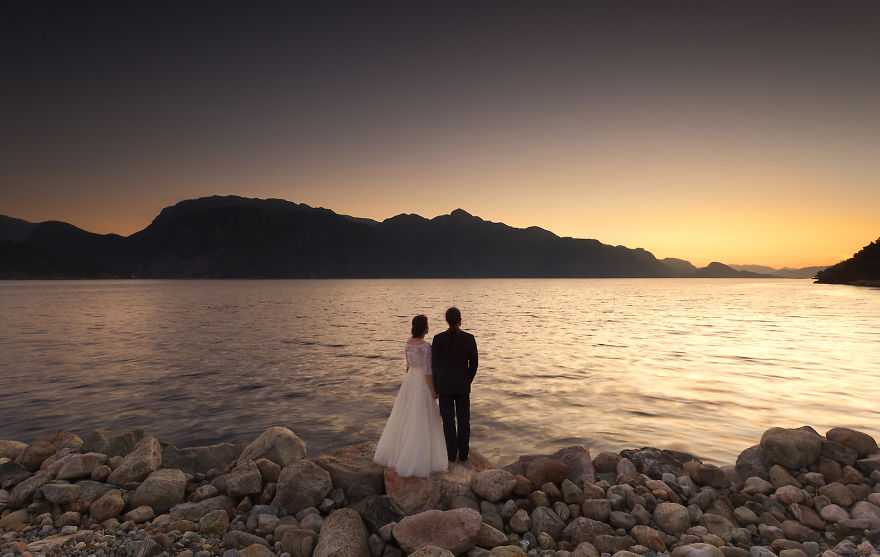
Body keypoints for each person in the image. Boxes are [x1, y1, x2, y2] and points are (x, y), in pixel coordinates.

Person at [373, 315, 448, 477]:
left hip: (410, 380)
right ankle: (419, 458)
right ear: (424, 328)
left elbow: (408, 366)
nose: (429, 327)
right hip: (421, 382)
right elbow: (428, 371)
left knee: (405, 417)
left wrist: (408, 383)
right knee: (421, 419)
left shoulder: (407, 343)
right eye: (428, 324)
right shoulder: (426, 347)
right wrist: (434, 390)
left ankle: (398, 453)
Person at [431, 307, 478, 462]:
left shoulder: (438, 339)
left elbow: (434, 366)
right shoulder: (469, 338)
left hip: (444, 387)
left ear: (446, 320)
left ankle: (451, 455)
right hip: (462, 386)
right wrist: (467, 380)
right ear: (460, 320)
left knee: (448, 421)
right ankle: (463, 454)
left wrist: (437, 385)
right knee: (464, 420)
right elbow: (474, 364)